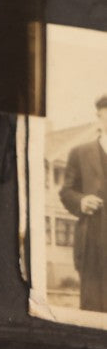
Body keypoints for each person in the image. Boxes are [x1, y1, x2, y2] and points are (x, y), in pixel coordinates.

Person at [61, 94, 107, 311]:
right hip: (93, 241)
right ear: (99, 117)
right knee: (93, 310)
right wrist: (82, 201)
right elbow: (66, 192)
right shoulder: (79, 153)